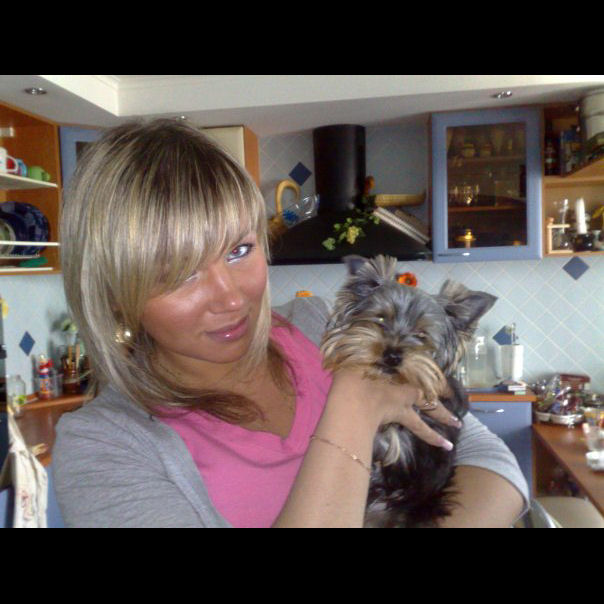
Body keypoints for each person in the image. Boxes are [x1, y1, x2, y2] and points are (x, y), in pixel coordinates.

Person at [53, 119, 529, 528]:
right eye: (179, 272)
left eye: (239, 250)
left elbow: (487, 459)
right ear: (114, 293)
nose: (231, 296)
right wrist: (355, 407)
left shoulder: (321, 325)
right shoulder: (102, 446)